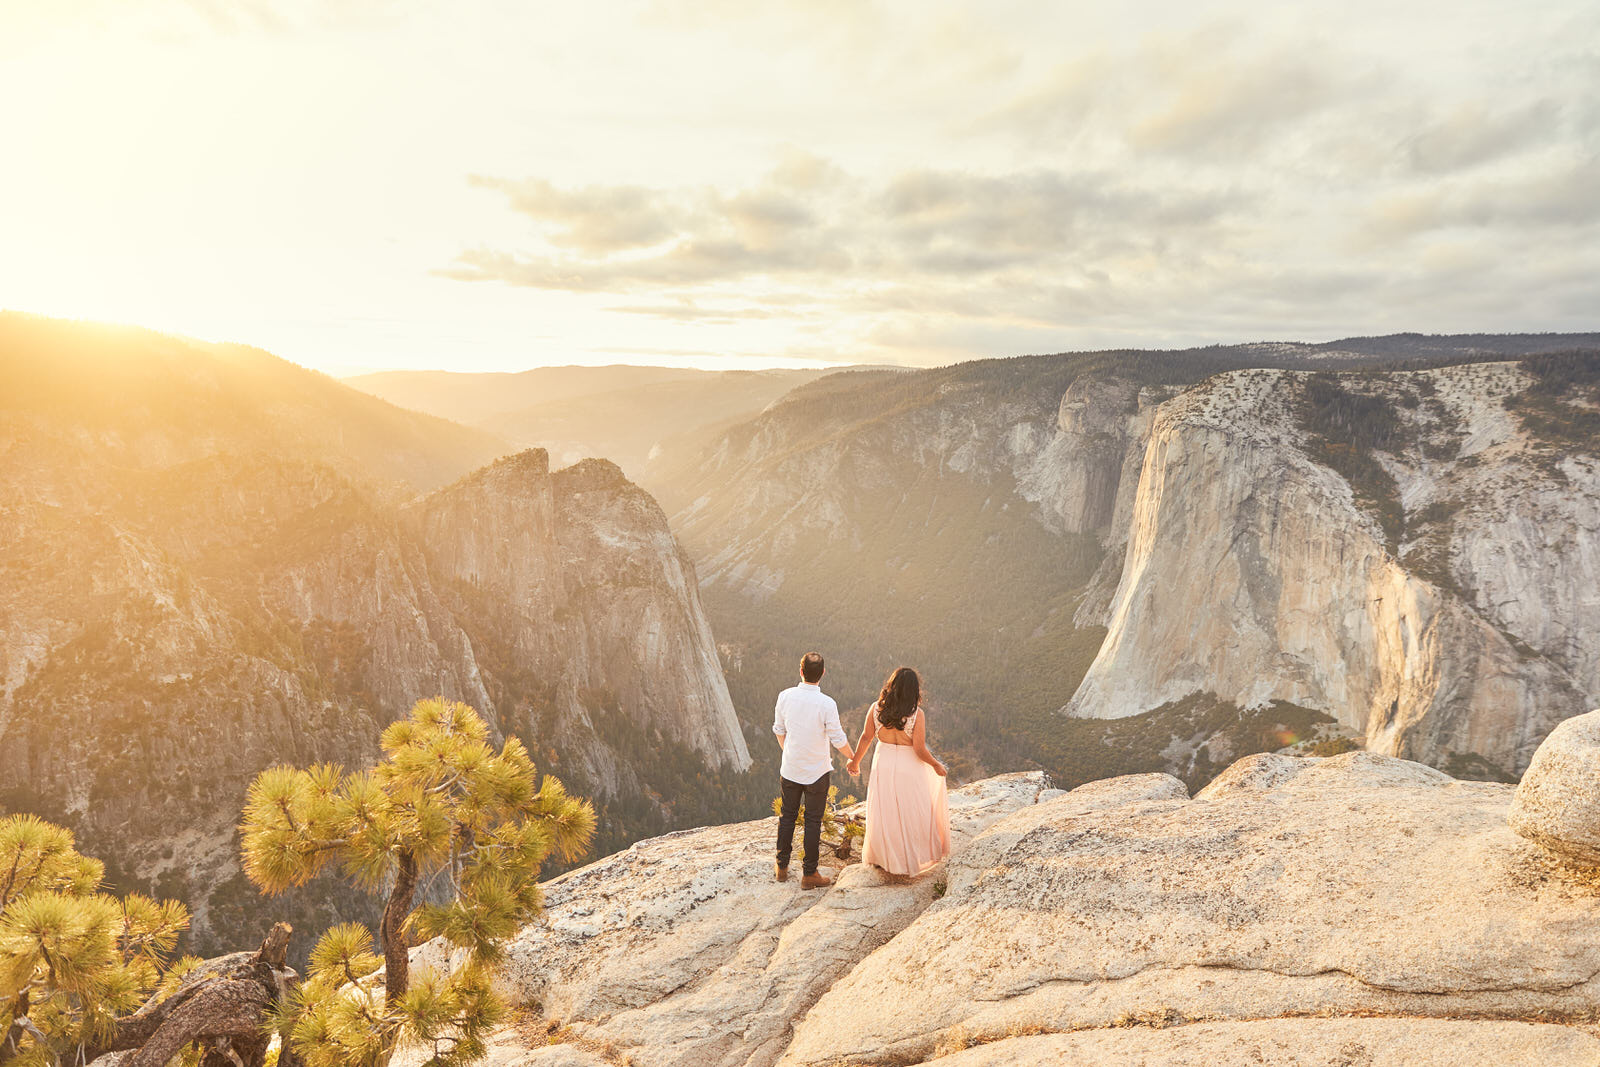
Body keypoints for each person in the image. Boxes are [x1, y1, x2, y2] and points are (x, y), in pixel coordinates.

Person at [847, 666, 950, 877]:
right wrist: (936, 764)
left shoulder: (876, 709)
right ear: (914, 690)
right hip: (908, 764)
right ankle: (910, 858)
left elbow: (866, 737)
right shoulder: (916, 714)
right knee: (911, 810)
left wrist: (855, 762)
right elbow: (919, 749)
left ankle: (883, 859)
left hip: (883, 761)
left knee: (884, 811)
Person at [773, 651, 854, 889]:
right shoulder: (827, 704)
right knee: (812, 821)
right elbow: (838, 738)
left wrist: (788, 751)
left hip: (790, 768)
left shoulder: (785, 696)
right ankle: (809, 874)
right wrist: (853, 759)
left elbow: (779, 729)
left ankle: (782, 866)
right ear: (823, 674)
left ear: (801, 671)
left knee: (787, 816)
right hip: (817, 772)